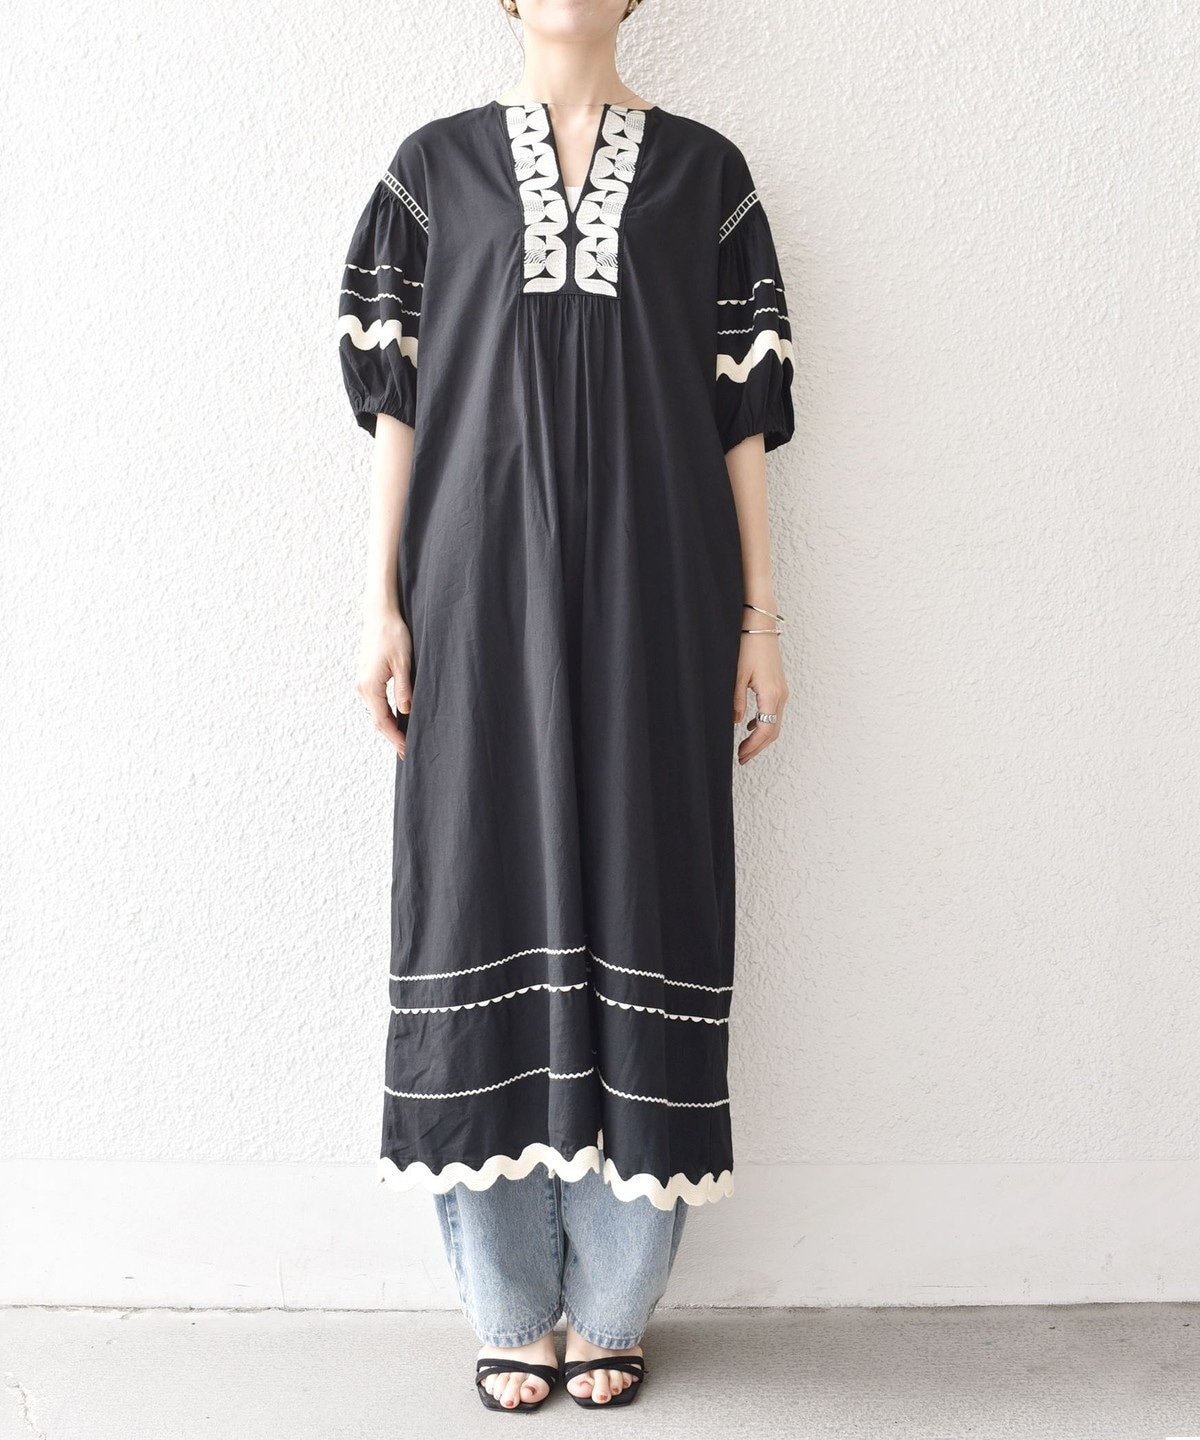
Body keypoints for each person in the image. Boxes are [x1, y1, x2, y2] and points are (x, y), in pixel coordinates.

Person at [336, 0, 796, 1412]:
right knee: (477, 889)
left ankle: (611, 1305)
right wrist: (380, 604)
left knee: (652, 892)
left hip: (662, 600)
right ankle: (507, 1306)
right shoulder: (433, 169)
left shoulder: (710, 176)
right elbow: (399, 403)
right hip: (475, 598)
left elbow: (744, 414)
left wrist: (760, 617)